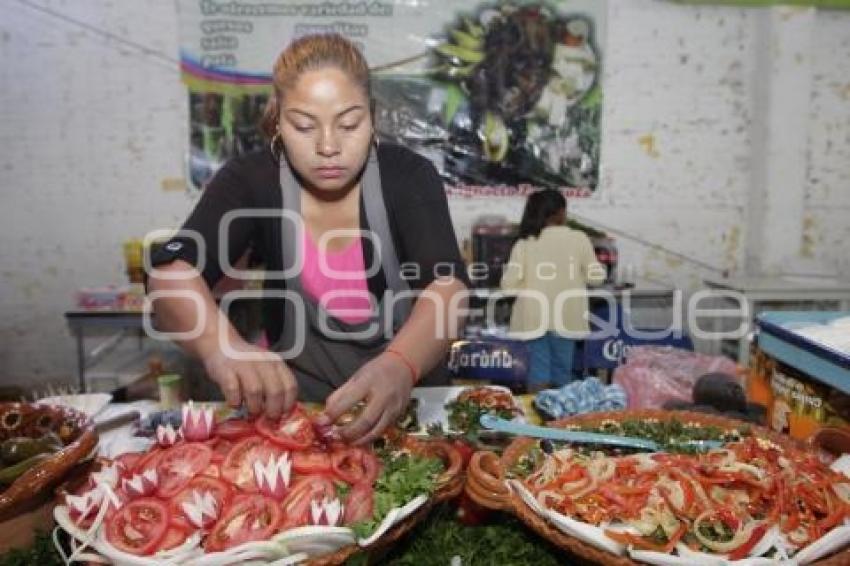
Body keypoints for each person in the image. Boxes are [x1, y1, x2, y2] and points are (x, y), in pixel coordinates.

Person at [148, 34, 468, 445]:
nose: (328, 146)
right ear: (277, 120)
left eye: (349, 123)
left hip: (407, 409)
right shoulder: (252, 180)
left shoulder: (406, 177)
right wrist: (221, 346)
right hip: (301, 417)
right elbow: (171, 275)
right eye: (304, 126)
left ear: (372, 117)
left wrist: (400, 365)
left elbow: (448, 289)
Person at [500, 189, 604, 391]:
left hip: (533, 317)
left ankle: (537, 416)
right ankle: (561, 417)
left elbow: (508, 286)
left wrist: (531, 285)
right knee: (562, 372)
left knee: (537, 372)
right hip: (566, 316)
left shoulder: (524, 244)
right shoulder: (579, 239)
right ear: (560, 212)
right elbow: (596, 277)